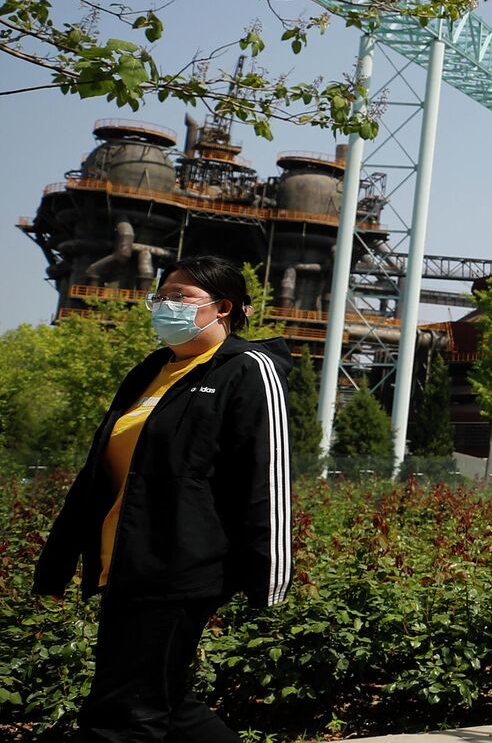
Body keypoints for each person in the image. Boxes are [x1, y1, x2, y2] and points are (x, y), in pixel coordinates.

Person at [32, 255, 293, 740]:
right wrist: (57, 563)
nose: (166, 306)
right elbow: (96, 476)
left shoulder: (247, 370)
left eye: (182, 297)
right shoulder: (150, 371)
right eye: (163, 296)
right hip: (125, 562)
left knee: (122, 714)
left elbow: (266, 476)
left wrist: (268, 577)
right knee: (169, 706)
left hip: (180, 568)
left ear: (223, 308)